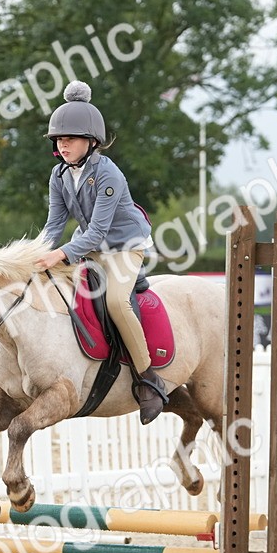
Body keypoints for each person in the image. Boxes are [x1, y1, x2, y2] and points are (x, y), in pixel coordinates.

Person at [34, 80, 167, 423]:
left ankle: (148, 379)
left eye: (70, 138)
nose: (63, 144)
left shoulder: (108, 173)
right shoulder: (58, 174)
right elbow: (54, 225)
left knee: (116, 302)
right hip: (89, 246)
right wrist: (35, 255)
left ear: (91, 141)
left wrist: (60, 255)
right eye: (59, 139)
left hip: (124, 246)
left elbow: (97, 232)